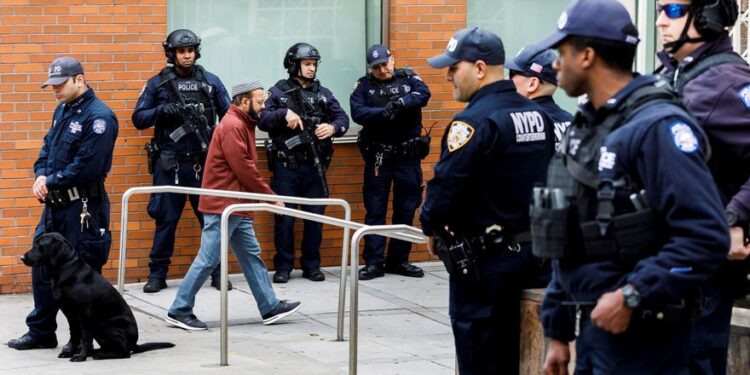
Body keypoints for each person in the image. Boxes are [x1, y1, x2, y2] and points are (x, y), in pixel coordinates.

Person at [530, 1, 730, 374]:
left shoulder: (658, 127)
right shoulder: (588, 125)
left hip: (646, 339)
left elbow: (706, 235)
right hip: (595, 329)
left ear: (587, 55)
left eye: (562, 52)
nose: (556, 64)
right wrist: (557, 331)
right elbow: (568, 230)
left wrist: (632, 295)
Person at [422, 27, 555, 374]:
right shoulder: (537, 115)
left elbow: (446, 186)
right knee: (525, 358)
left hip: (486, 266)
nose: (449, 75)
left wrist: (429, 225)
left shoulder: (473, 121)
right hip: (535, 258)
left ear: (480, 68)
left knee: (481, 359)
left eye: (454, 67)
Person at [653, 1, 750, 373]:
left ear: (708, 16)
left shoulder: (729, 82)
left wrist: (735, 216)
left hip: (697, 266)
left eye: (673, 9)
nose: (661, 20)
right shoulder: (670, 73)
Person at [166, 79, 300, 330]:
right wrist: (270, 196)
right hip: (223, 206)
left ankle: (269, 305)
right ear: (244, 101)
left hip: (236, 203)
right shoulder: (232, 125)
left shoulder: (242, 123)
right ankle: (179, 309)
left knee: (251, 256)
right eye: (259, 102)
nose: (263, 107)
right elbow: (244, 169)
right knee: (207, 260)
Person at [8, 57, 118, 351]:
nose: (55, 90)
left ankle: (80, 338)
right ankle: (42, 330)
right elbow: (47, 149)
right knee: (40, 266)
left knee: (81, 271)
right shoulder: (62, 111)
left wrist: (51, 180)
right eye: (52, 85)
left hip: (82, 207)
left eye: (60, 84)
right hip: (54, 206)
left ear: (79, 80)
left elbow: (87, 166)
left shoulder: (99, 117)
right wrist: (40, 175)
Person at [132, 29, 231, 293]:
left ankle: (219, 272)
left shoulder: (211, 82)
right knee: (166, 221)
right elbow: (138, 119)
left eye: (190, 51)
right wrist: (162, 111)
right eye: (181, 51)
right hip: (170, 164)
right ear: (172, 54)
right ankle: (157, 275)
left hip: (204, 163)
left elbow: (230, 118)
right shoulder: (158, 84)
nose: (187, 55)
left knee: (211, 220)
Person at [259, 42, 350, 284]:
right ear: (294, 65)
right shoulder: (278, 92)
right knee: (284, 218)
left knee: (315, 217)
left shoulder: (323, 93)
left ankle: (312, 265)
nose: (312, 69)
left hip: (314, 166)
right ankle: (283, 266)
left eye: (314, 64)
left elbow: (343, 118)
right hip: (286, 166)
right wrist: (283, 114)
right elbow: (263, 119)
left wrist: (332, 128)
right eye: (307, 64)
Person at [350, 44, 432, 280]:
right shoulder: (364, 85)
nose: (382, 70)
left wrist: (402, 103)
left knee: (405, 208)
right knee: (375, 209)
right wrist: (384, 112)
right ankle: (374, 263)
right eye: (376, 67)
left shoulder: (409, 78)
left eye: (385, 64)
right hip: (379, 157)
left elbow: (424, 94)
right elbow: (358, 112)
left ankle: (399, 260)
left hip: (407, 157)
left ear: (392, 60)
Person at [506, 44, 573, 149]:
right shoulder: (571, 122)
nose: (507, 79)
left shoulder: (514, 123)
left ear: (532, 84)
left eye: (512, 73)